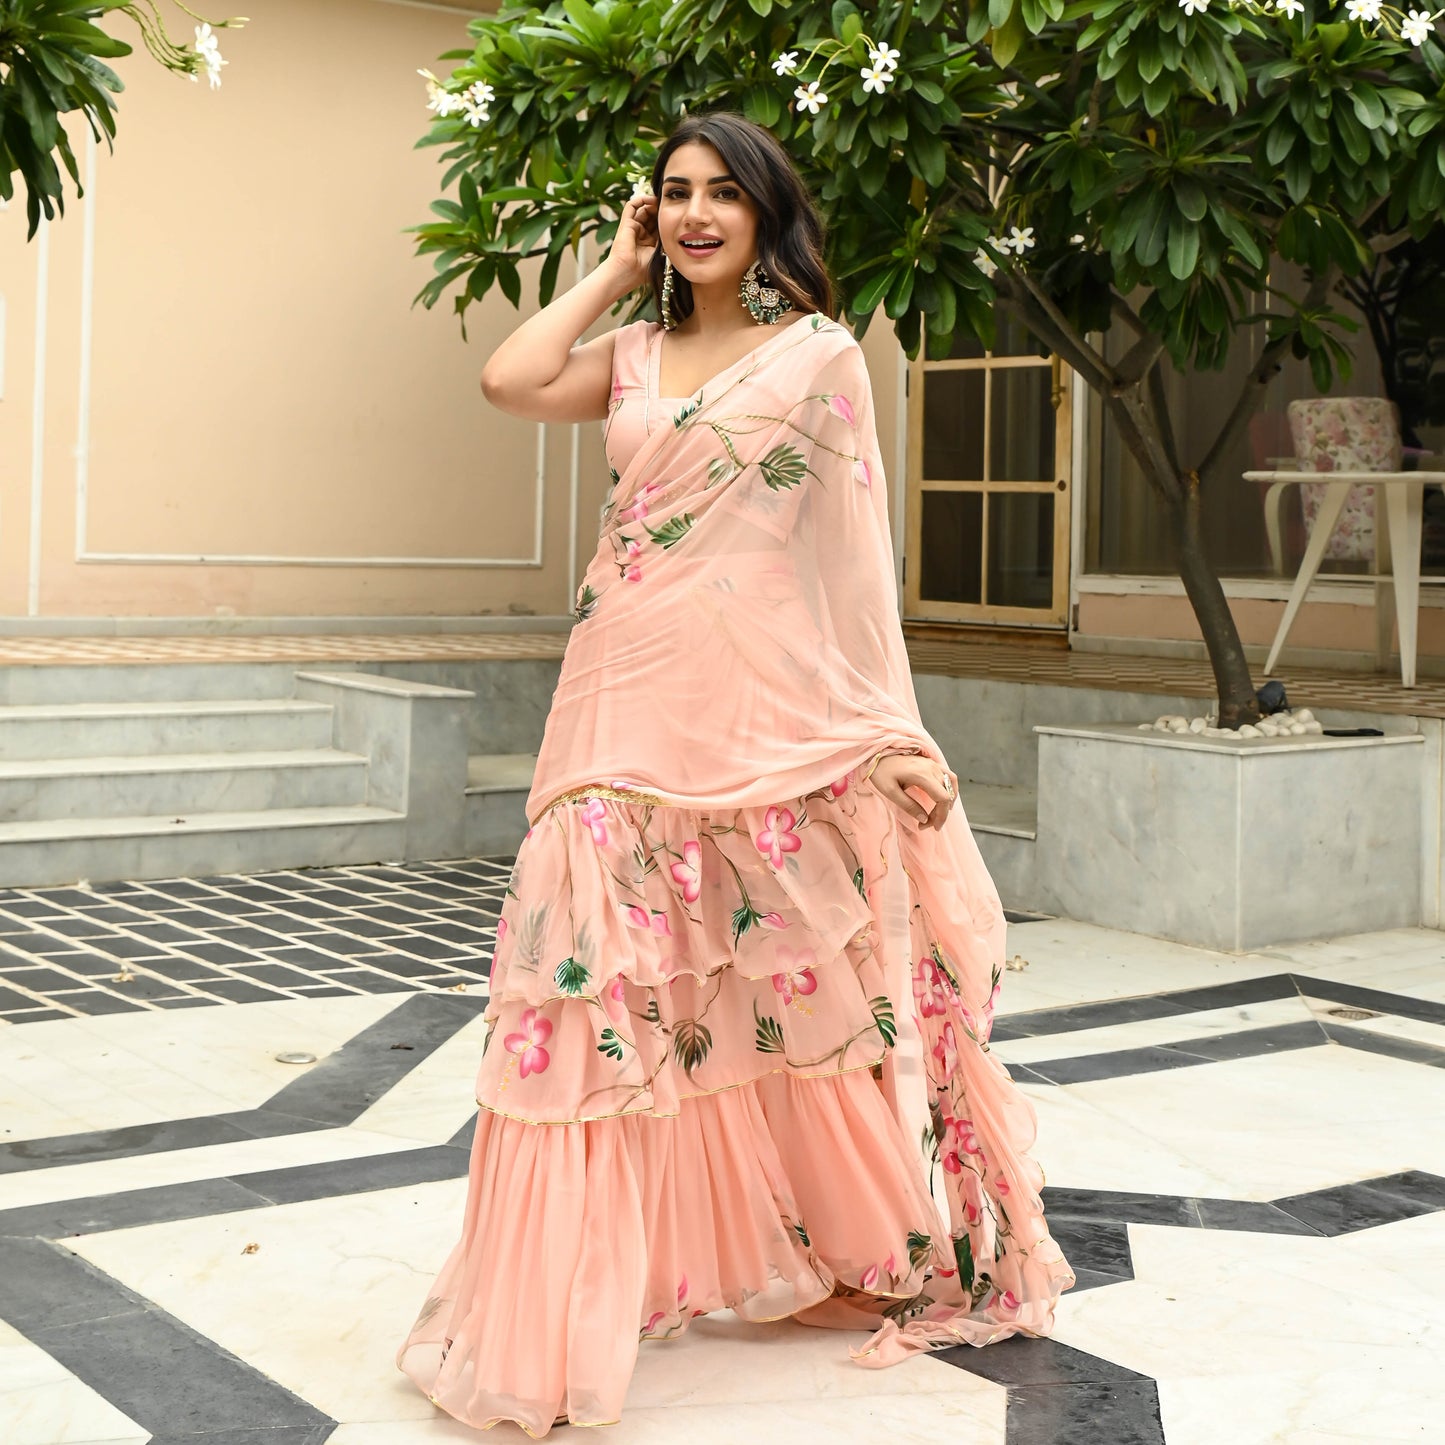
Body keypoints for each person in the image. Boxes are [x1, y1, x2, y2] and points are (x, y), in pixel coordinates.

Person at [397, 110, 1073, 1437]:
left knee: (772, 984)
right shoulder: (638, 350)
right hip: (612, 708)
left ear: (767, 211)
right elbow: (509, 380)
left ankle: (832, 1240)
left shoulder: (816, 355)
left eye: (721, 194)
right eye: (673, 194)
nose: (695, 213)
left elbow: (846, 556)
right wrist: (609, 265)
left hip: (756, 720)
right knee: (576, 992)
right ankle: (546, 1327)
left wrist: (885, 728)